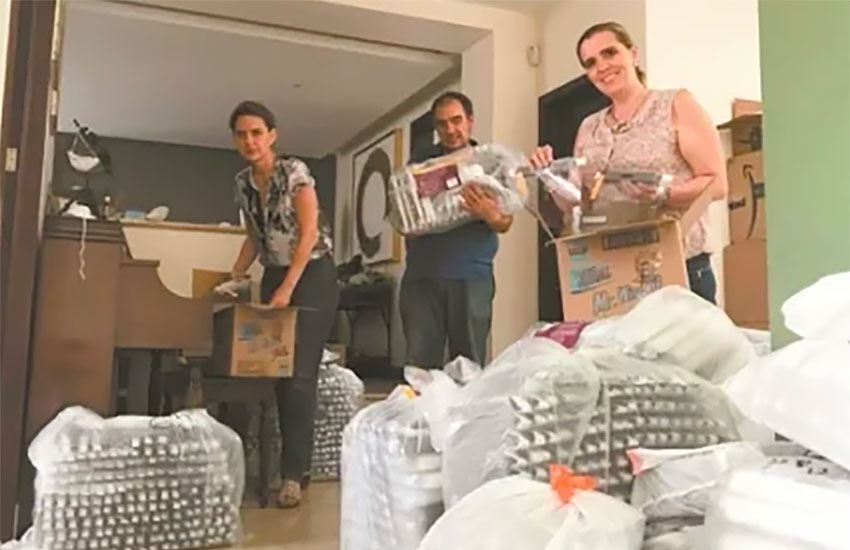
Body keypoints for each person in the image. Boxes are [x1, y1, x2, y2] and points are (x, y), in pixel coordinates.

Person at [530, 22, 727, 303]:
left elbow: (717, 184)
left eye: (610, 53)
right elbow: (577, 204)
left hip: (677, 265)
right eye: (591, 62)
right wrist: (549, 176)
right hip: (613, 269)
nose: (602, 66)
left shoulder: (674, 104)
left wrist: (664, 194)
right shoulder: (589, 126)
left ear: (633, 54)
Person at [228, 100, 339, 508]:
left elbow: (308, 234)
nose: (250, 141)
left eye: (257, 132)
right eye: (242, 134)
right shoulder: (243, 183)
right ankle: (275, 466)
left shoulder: (294, 172)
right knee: (274, 372)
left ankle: (295, 475)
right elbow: (255, 237)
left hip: (312, 275)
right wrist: (234, 276)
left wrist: (288, 289)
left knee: (298, 375)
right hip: (277, 275)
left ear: (271, 135)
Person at [401, 91, 513, 369]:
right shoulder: (419, 165)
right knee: (420, 368)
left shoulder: (490, 164)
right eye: (442, 124)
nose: (450, 130)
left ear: (470, 121)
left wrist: (489, 214)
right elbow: (402, 219)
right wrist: (414, 220)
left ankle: (468, 414)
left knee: (469, 367)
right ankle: (420, 414)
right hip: (421, 277)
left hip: (470, 276)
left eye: (456, 120)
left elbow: (505, 223)